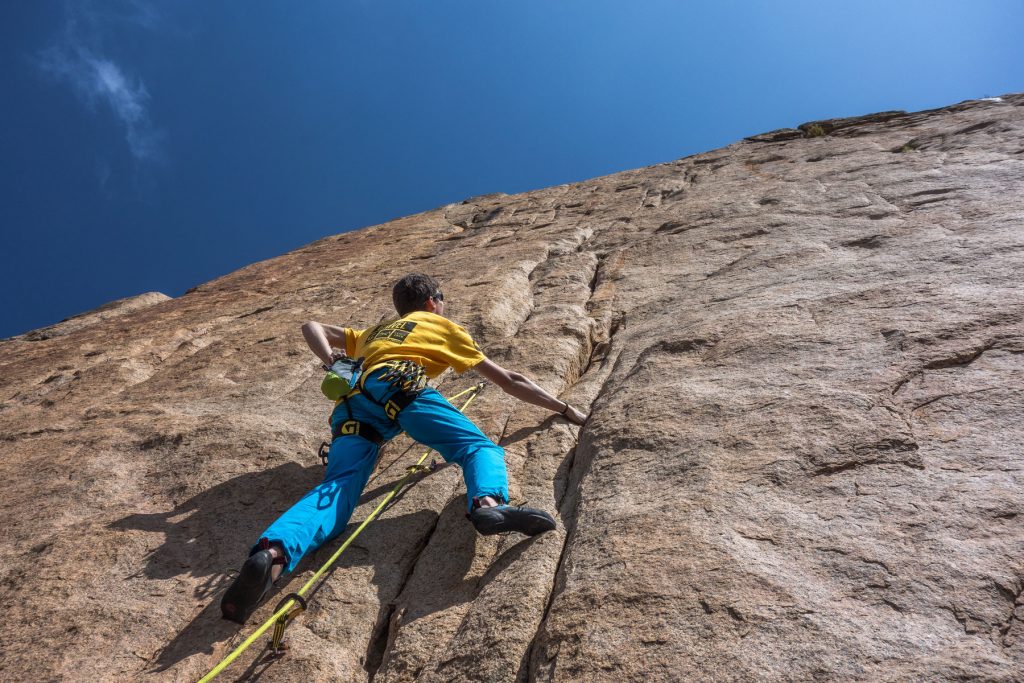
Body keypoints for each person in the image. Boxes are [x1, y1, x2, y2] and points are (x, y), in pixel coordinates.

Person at [221, 274, 587, 623]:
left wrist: (331, 360)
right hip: (402, 389)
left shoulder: (373, 333)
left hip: (351, 407)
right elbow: (510, 380)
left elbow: (311, 326)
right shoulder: (442, 326)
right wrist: (564, 408)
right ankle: (488, 504)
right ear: (432, 302)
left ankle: (274, 554)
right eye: (442, 300)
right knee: (478, 448)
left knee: (338, 486)